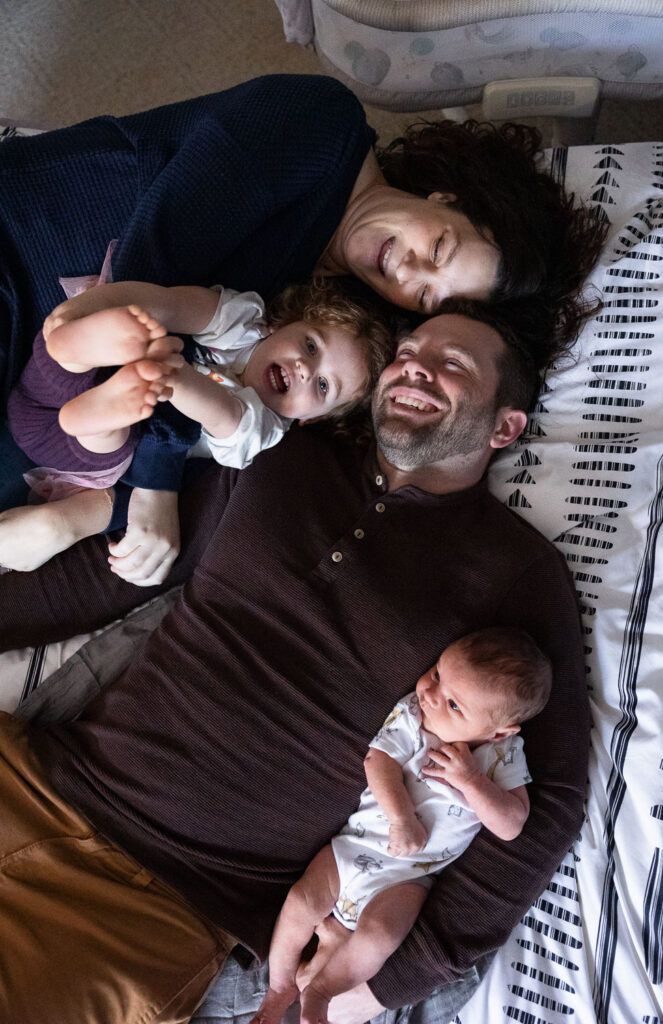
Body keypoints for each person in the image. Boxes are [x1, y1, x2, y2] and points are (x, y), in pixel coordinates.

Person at [0, 309, 589, 1024]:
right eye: (407, 351)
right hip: (36, 779)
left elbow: (544, 806)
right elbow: (113, 575)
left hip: (161, 900)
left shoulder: (518, 571)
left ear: (504, 428)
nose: (414, 365)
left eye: (452, 364)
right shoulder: (284, 459)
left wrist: (384, 984)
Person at [0, 73, 605, 584]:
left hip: (48, 384)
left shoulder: (330, 327)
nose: (409, 270)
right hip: (19, 252)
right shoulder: (320, 122)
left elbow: (237, 421)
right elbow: (140, 287)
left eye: (424, 296)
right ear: (446, 198)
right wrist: (147, 488)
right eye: (440, 246)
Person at [253, 627, 551, 1024]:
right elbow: (378, 761)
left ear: (498, 732)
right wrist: (401, 819)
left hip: (409, 878)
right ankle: (278, 987)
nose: (430, 693)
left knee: (380, 937)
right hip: (355, 847)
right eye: (437, 673)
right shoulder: (413, 714)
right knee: (301, 902)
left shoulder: (503, 755)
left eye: (453, 704)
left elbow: (512, 824)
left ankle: (321, 993)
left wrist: (473, 782)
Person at [1, 276, 393, 570]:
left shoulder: (264, 428)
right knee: (60, 361)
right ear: (284, 323)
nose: (305, 369)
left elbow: (221, 412)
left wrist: (171, 374)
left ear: (310, 419)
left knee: (117, 440)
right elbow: (164, 303)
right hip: (38, 399)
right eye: (310, 345)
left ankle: (98, 414)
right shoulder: (244, 319)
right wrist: (100, 308)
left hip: (74, 454)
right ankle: (79, 344)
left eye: (323, 385)